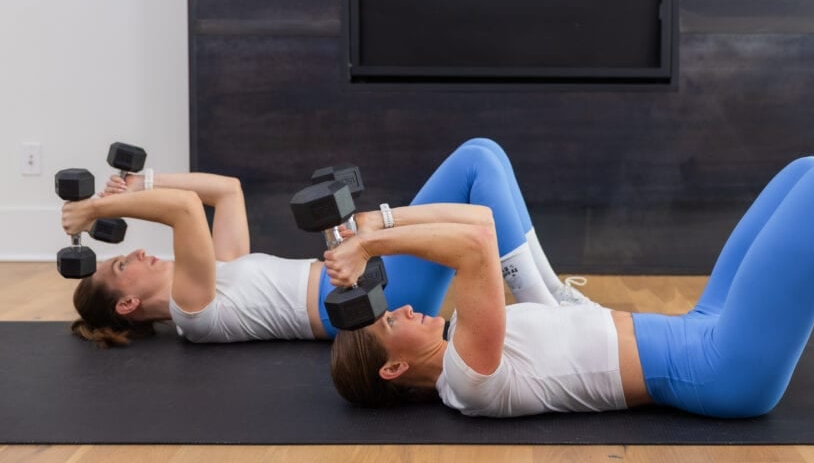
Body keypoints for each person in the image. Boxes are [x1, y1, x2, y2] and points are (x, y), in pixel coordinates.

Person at [328, 156, 814, 434]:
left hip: (698, 328)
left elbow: (479, 224)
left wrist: (372, 225)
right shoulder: (464, 376)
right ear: (394, 367)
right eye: (393, 324)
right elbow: (474, 247)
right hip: (721, 369)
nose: (409, 307)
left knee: (808, 171)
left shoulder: (457, 350)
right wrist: (374, 248)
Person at [60, 139, 588, 347]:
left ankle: (554, 299)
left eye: (125, 251)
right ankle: (553, 310)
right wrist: (97, 208)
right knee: (476, 164)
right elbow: (184, 211)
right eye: (123, 265)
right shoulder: (193, 310)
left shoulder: (217, 273)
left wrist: (140, 184)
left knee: (482, 155)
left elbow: (226, 191)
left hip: (365, 272)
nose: (138, 253)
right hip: (377, 298)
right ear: (128, 303)